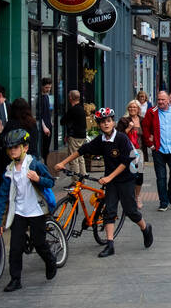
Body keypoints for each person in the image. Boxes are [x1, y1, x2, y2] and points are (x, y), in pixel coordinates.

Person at [54, 108, 152, 256]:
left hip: (126, 178)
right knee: (110, 211)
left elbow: (126, 162)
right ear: (99, 125)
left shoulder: (121, 138)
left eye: (108, 121)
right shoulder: (101, 140)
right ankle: (110, 245)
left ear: (113, 122)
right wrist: (63, 163)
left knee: (131, 211)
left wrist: (109, 177)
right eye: (102, 122)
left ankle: (145, 228)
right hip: (111, 180)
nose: (106, 124)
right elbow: (82, 150)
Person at [0, 128, 58, 292]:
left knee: (39, 243)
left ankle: (50, 261)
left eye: (16, 147)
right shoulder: (9, 171)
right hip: (19, 213)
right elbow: (2, 196)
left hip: (36, 211)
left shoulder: (35, 164)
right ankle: (15, 279)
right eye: (10, 148)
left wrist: (39, 179)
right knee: (15, 248)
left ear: (25, 148)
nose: (12, 151)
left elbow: (51, 182)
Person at [142, 89, 171, 211]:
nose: (160, 102)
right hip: (158, 150)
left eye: (163, 99)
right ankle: (163, 202)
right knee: (161, 177)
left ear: (168, 100)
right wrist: (150, 144)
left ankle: (170, 195)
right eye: (159, 99)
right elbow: (145, 128)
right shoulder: (151, 112)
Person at [1, 98, 39, 168]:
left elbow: (4, 142)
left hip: (15, 161)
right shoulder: (32, 123)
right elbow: (35, 142)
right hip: (31, 159)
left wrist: (0, 132)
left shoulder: (11, 124)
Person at [125, 93, 147, 209]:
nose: (132, 109)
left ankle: (137, 196)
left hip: (139, 152)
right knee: (130, 175)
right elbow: (119, 136)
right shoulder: (124, 120)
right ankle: (130, 197)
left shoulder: (143, 120)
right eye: (130, 107)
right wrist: (128, 128)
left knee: (139, 176)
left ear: (138, 109)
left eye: (134, 107)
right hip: (128, 152)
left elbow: (147, 134)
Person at [61, 90, 88, 176]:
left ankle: (76, 182)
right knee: (80, 157)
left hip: (74, 136)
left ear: (70, 98)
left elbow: (63, 121)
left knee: (73, 158)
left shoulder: (73, 110)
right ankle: (82, 178)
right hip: (82, 136)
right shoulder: (81, 109)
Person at [35, 77, 54, 160]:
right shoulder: (39, 98)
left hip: (48, 125)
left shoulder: (46, 96)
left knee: (47, 147)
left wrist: (50, 121)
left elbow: (48, 111)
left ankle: (46, 164)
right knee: (43, 147)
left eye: (50, 87)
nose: (48, 89)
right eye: (46, 87)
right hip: (43, 127)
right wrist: (44, 127)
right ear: (42, 86)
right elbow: (39, 114)